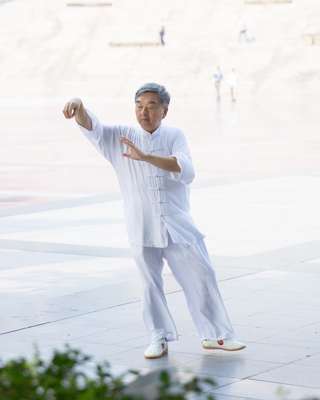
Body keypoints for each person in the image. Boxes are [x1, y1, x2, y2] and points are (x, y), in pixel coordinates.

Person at [63, 83, 246, 359]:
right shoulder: (121, 136)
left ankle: (216, 335)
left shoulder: (174, 135)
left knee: (202, 275)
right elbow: (92, 127)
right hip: (141, 223)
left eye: (151, 106)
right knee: (150, 284)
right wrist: (79, 104)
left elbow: (185, 167)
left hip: (176, 223)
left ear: (165, 110)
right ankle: (157, 337)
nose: (144, 112)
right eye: (139, 105)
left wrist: (147, 157)